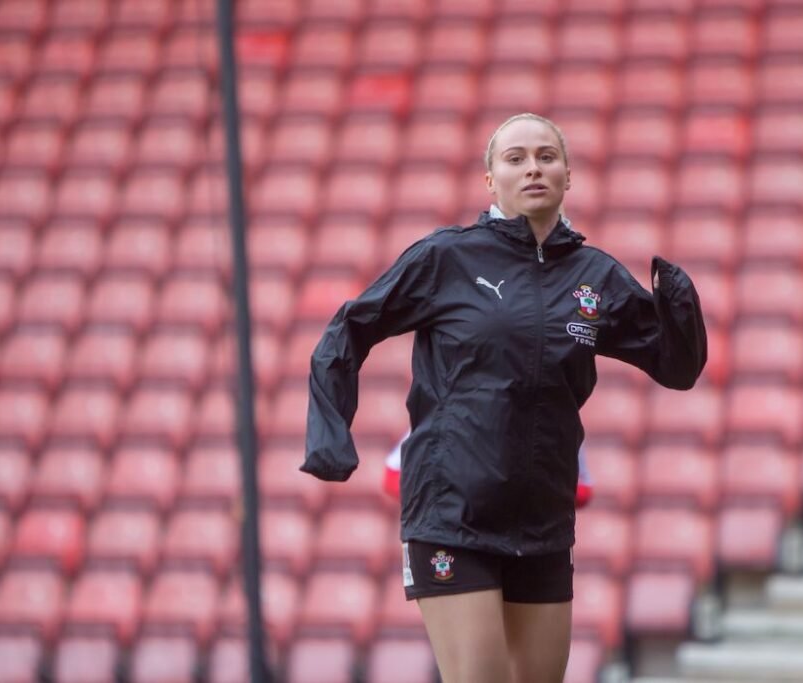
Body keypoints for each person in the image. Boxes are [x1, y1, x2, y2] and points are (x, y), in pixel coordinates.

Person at [301, 112, 707, 683]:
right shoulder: (447, 258)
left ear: (569, 175)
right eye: (515, 158)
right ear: (490, 180)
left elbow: (676, 367)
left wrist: (681, 309)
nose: (533, 168)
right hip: (451, 515)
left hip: (542, 520)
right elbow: (349, 328)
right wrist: (330, 434)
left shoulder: (596, 277)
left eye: (547, 156)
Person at [383, 429, 595, 509]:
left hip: (533, 540)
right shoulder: (450, 405)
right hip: (458, 535)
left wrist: (537, 491)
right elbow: (393, 476)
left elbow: (583, 489)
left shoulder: (557, 418)